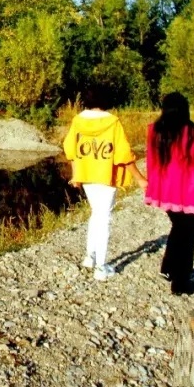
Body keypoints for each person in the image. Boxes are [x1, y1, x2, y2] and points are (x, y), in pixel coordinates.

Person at [144, 92, 194, 295]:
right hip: (189, 193)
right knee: (187, 236)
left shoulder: (155, 131)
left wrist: (152, 187)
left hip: (165, 191)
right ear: (186, 110)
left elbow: (151, 162)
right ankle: (181, 282)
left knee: (178, 228)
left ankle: (168, 268)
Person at [63, 91, 146, 280]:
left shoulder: (78, 121)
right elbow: (123, 154)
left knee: (96, 214)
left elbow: (70, 148)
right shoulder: (113, 122)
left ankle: (89, 258)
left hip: (86, 174)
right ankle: (101, 267)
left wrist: (76, 173)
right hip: (106, 175)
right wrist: (140, 178)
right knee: (104, 218)